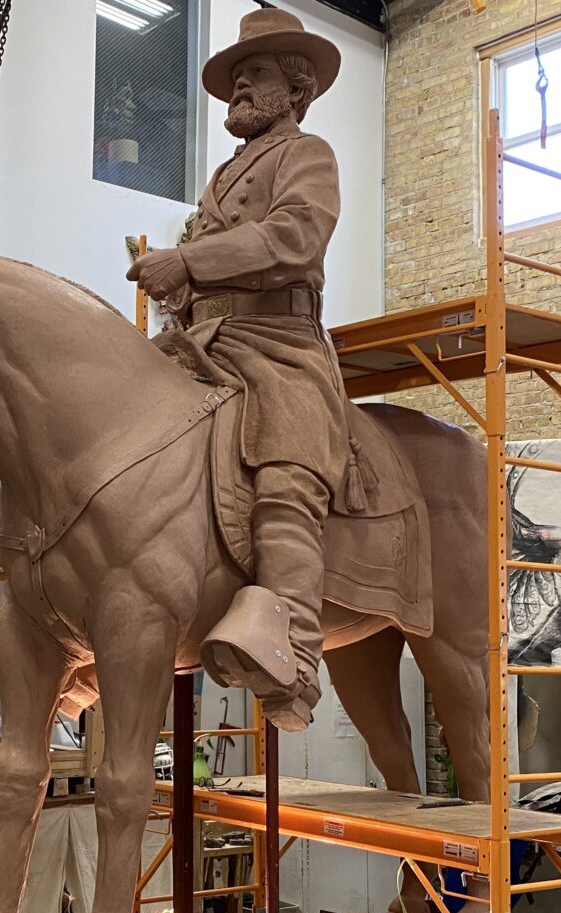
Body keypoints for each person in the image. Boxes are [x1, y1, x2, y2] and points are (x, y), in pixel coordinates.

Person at [128, 9, 344, 731]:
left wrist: (186, 260)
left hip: (278, 343)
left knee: (283, 465)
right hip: (204, 340)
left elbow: (295, 237)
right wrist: (175, 289)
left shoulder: (307, 153)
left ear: (297, 87)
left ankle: (295, 656)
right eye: (235, 78)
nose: (238, 88)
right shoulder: (220, 176)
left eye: (254, 75)